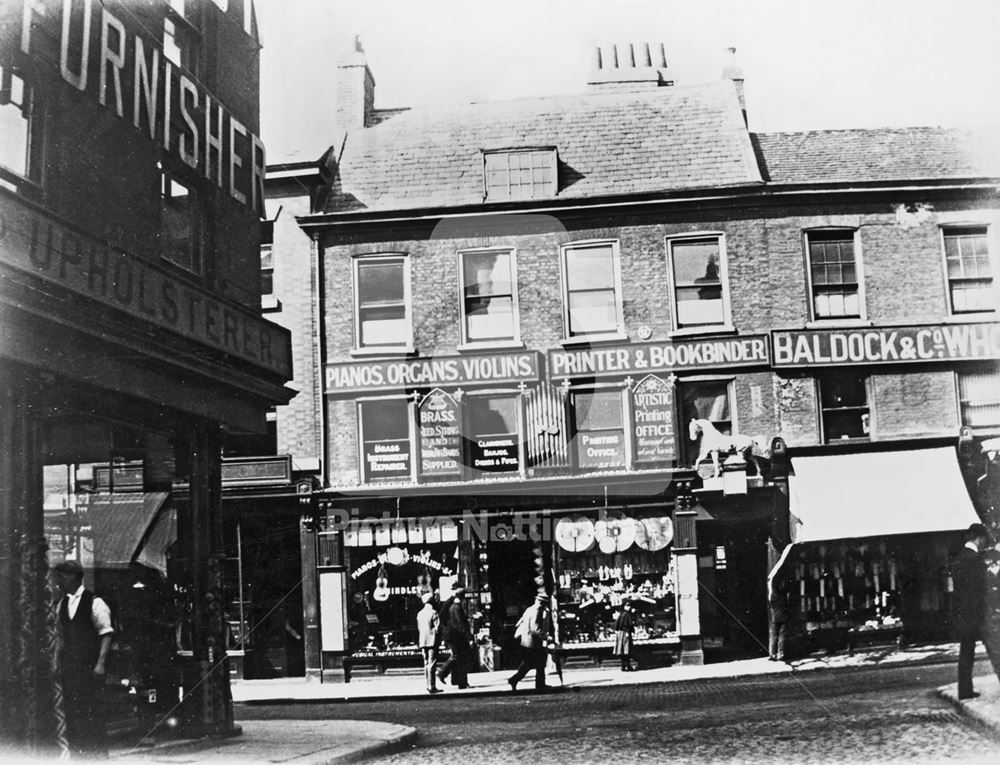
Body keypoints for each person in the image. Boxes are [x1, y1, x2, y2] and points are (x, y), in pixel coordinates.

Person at [53, 559, 114, 759]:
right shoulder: (61, 604)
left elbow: (106, 633)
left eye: (63, 576)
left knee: (92, 712)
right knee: (73, 712)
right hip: (70, 667)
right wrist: (56, 661)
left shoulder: (95, 602)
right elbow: (60, 636)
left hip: (90, 667)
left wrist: (100, 664)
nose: (60, 580)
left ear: (74, 577)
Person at [950, 522, 991, 699]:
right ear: (979, 538)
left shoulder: (959, 558)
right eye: (984, 540)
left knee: (966, 651)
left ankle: (964, 689)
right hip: (976, 612)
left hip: (963, 613)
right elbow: (982, 588)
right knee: (992, 648)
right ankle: (965, 690)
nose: (984, 544)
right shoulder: (975, 559)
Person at [508, 593, 553, 691]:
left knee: (533, 664)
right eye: (545, 604)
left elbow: (519, 623)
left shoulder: (529, 609)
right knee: (534, 664)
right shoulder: (536, 611)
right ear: (541, 602)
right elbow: (534, 629)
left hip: (527, 642)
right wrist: (546, 636)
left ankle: (539, 683)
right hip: (533, 643)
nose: (545, 606)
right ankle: (515, 679)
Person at [437, 587, 472, 689]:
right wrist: (468, 637)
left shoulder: (452, 606)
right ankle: (443, 672)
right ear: (462, 597)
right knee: (461, 657)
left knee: (459, 657)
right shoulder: (456, 607)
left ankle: (457, 680)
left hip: (452, 636)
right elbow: (460, 624)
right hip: (456, 636)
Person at [416, 591, 443, 694]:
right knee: (432, 663)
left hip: (423, 641)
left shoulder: (420, 613)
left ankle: (427, 685)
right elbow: (438, 628)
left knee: (426, 663)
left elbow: (419, 628)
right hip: (432, 641)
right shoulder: (433, 612)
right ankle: (432, 686)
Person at [768, 580, 790, 662]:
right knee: (782, 636)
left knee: (774, 636)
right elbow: (786, 604)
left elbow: (770, 604)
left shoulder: (773, 597)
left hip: (775, 618)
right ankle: (781, 654)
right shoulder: (782, 597)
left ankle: (773, 654)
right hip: (783, 618)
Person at [613, 602, 635, 671]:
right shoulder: (627, 614)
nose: (629, 607)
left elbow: (617, 625)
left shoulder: (621, 614)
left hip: (620, 634)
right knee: (626, 650)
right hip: (626, 633)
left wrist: (617, 631)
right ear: (625, 607)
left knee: (621, 650)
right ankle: (628, 666)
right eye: (627, 606)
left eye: (629, 606)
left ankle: (623, 666)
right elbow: (629, 624)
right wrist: (630, 631)